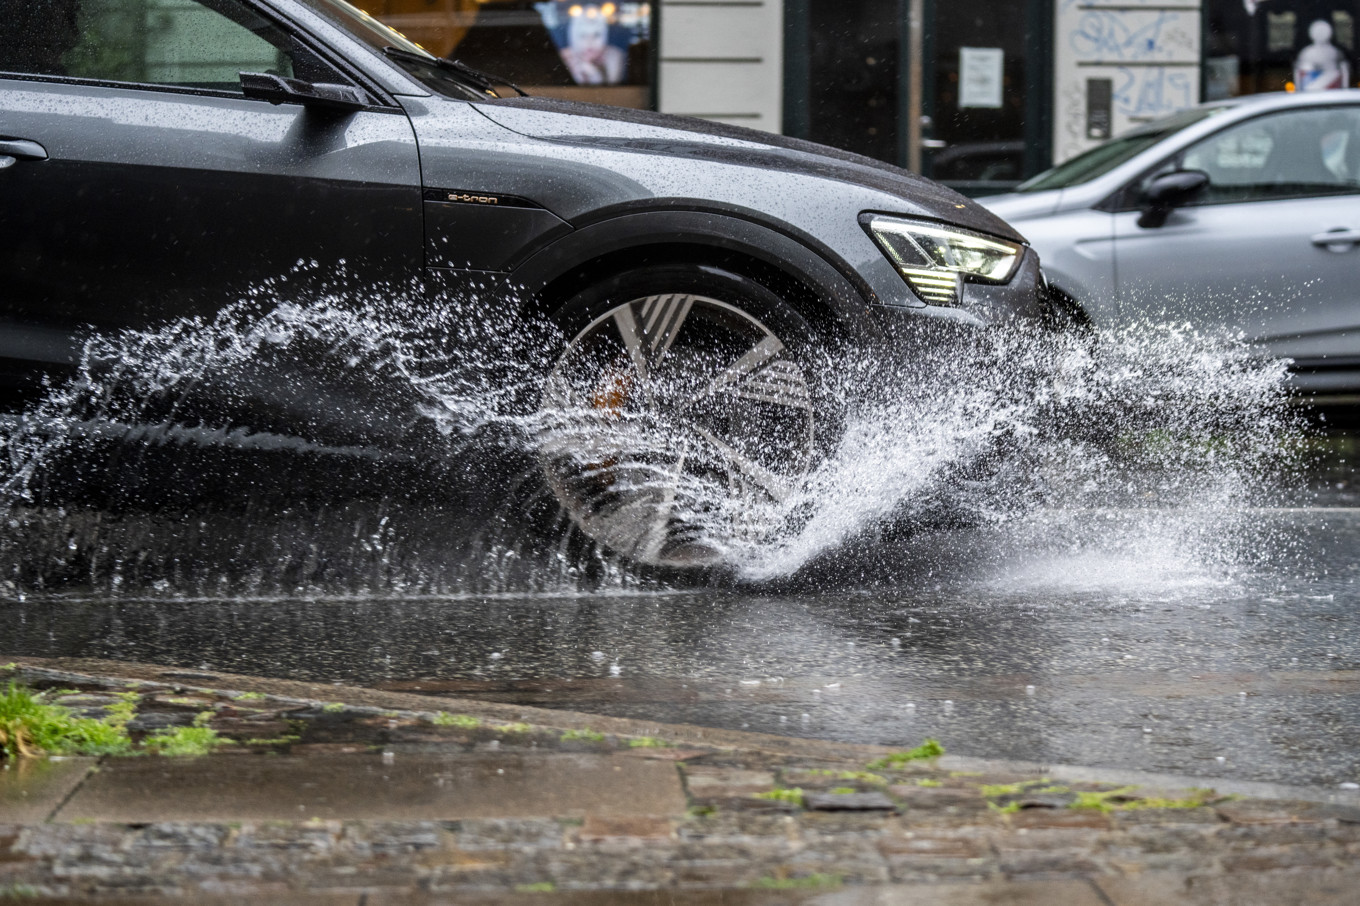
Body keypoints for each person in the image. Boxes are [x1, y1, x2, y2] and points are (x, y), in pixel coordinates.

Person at [1294, 19, 1351, 92]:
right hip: (1314, 97)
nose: (1320, 34)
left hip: (1328, 97)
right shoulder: (1306, 53)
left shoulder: (1335, 53)